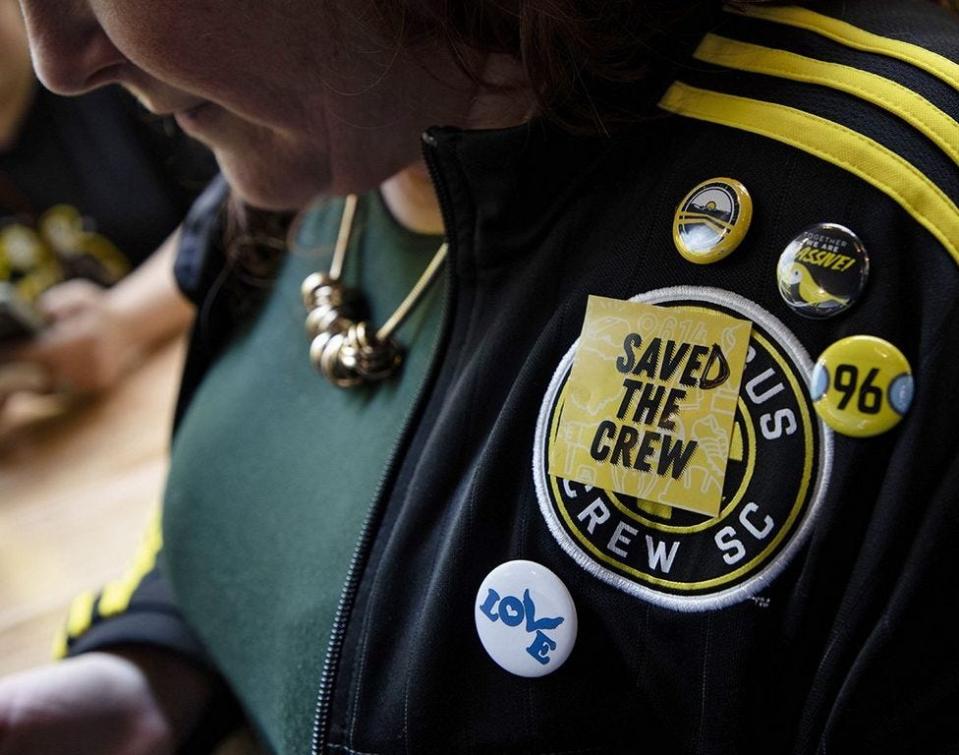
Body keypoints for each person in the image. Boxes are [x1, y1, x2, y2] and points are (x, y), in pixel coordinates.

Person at [2, 0, 958, 753]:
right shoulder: (293, 148)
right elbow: (276, 488)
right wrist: (147, 677)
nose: (60, 58)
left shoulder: (903, 235)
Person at [0, 0, 214, 405]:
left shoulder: (110, 69)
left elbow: (246, 207)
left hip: (205, 364)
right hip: (73, 436)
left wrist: (125, 320)